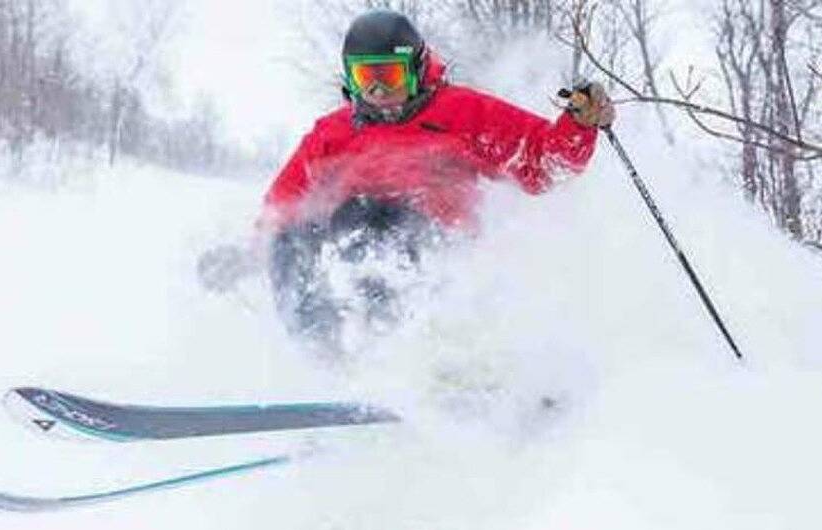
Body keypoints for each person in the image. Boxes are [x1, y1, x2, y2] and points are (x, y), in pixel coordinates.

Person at [199, 9, 615, 347]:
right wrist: (250, 255)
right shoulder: (331, 134)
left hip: (434, 250)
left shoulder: (462, 113)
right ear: (350, 78)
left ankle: (403, 357)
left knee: (372, 219)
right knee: (291, 240)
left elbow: (542, 164)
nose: (378, 93)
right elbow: (283, 206)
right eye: (366, 78)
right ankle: (325, 363)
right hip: (352, 253)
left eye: (390, 77)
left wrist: (579, 125)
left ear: (416, 70)